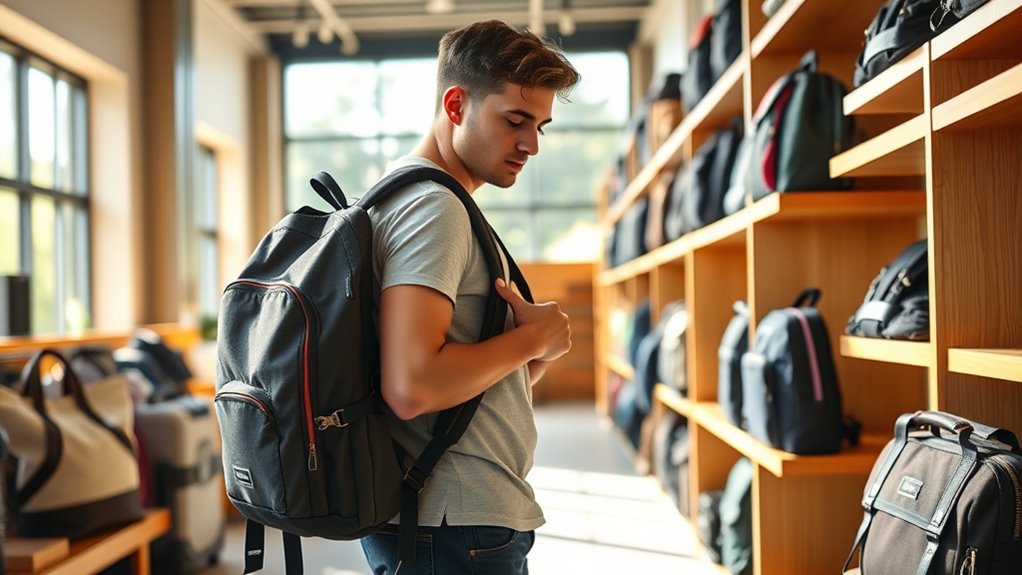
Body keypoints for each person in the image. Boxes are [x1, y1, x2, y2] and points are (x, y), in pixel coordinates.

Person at [359, 19, 582, 575]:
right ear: (456, 105)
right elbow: (411, 387)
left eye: (541, 127)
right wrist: (533, 337)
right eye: (515, 120)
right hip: (453, 530)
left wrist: (532, 355)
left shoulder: (404, 193)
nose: (531, 144)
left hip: (447, 523)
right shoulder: (434, 209)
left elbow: (459, 394)